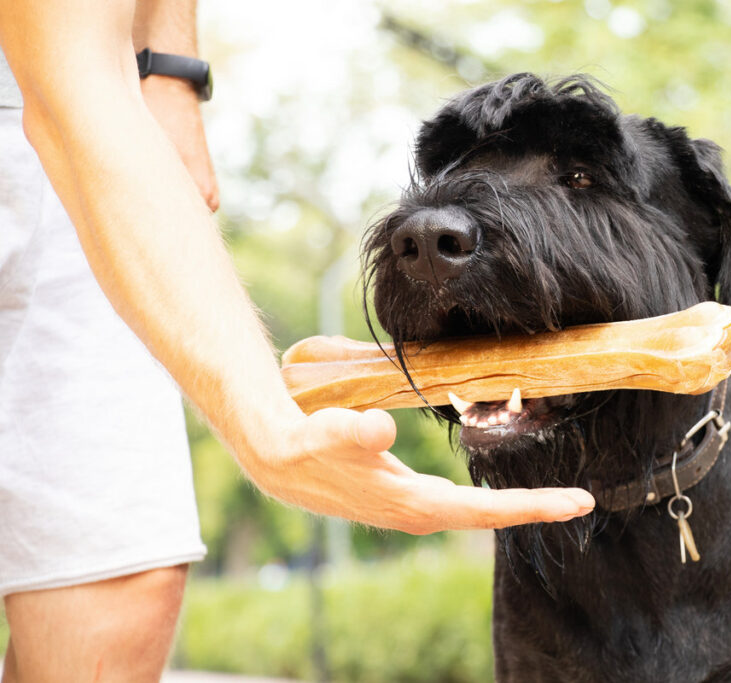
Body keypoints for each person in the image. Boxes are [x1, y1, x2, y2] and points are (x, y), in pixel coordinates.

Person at [0, 0, 595, 679]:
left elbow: (75, 69)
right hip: (80, 96)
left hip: (98, 112)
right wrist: (266, 430)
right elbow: (67, 83)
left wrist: (169, 71)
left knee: (114, 592)